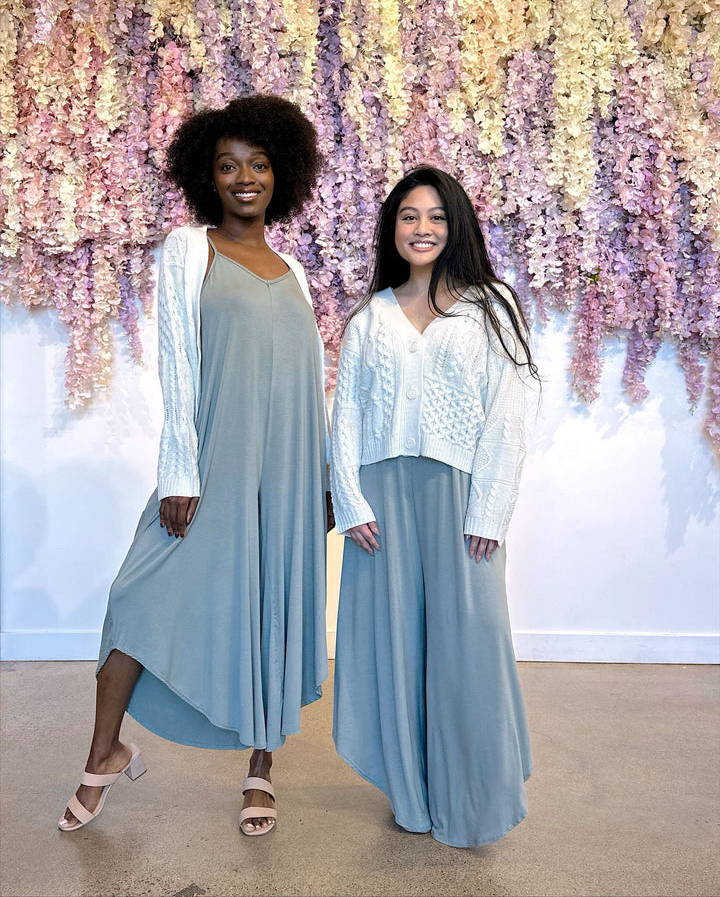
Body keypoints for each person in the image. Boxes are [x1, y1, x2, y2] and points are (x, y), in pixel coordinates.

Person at [59, 95, 332, 838]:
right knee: (136, 597)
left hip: (290, 471)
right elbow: (178, 365)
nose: (245, 178)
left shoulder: (295, 270)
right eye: (228, 166)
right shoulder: (189, 250)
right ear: (206, 177)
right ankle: (104, 752)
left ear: (281, 174)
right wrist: (181, 471)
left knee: (271, 605)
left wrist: (326, 480)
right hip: (215, 462)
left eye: (259, 164)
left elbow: (312, 384)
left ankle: (261, 768)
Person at [330, 165, 539, 848]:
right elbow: (346, 413)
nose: (422, 229)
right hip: (382, 499)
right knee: (394, 646)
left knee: (470, 641)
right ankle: (411, 795)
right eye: (409, 216)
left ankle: (473, 800)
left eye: (436, 216)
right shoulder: (370, 316)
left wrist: (489, 510)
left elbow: (511, 413)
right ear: (392, 229)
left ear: (457, 226)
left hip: (459, 496)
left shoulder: (491, 307)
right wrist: (350, 498)